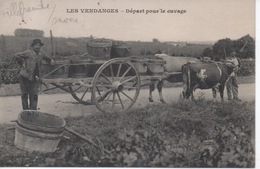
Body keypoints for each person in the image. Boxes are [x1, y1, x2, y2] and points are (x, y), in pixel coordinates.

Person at [14, 39, 54, 110]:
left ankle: (33, 111)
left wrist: (51, 60)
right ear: (33, 46)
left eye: (39, 45)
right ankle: (25, 111)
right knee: (24, 94)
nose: (37, 47)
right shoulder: (28, 52)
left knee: (34, 94)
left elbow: (47, 58)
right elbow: (17, 55)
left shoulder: (41, 54)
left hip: (35, 77)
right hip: (24, 76)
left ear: (40, 46)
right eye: (36, 45)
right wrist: (22, 63)